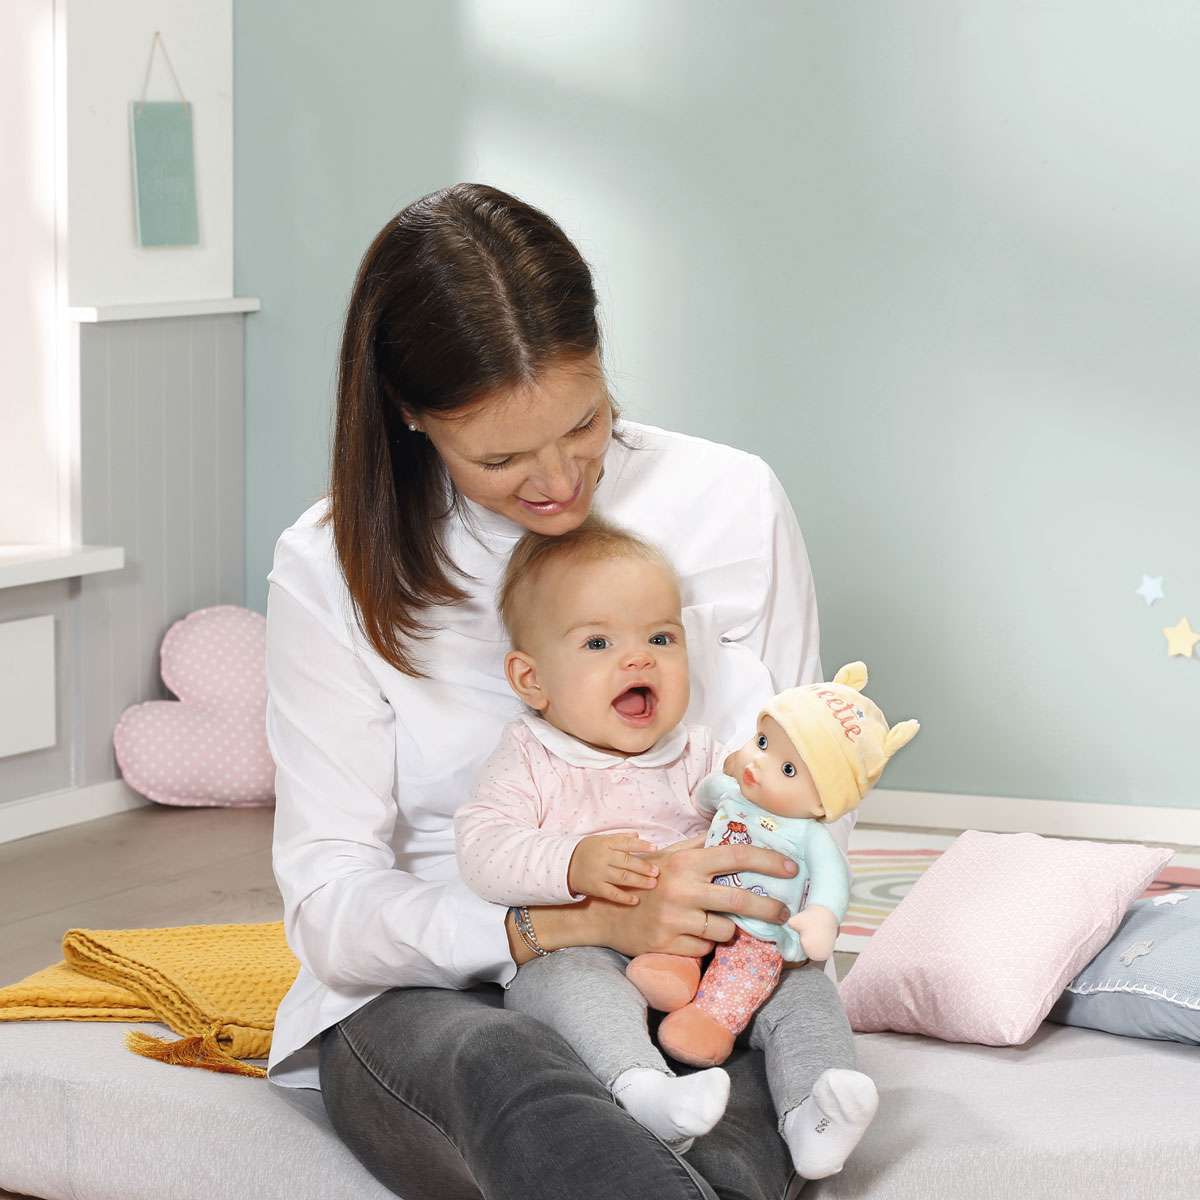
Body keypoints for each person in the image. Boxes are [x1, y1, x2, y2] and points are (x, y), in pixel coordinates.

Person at [264, 182, 855, 1200]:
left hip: (697, 976)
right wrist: (562, 929)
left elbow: (810, 797)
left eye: (583, 422)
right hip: (432, 992)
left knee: (718, 1115)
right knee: (508, 1069)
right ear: (411, 416)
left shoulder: (731, 501)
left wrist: (739, 949)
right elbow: (329, 902)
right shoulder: (331, 566)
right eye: (499, 457)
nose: (558, 481)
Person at [452, 518, 877, 1177]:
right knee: (565, 985)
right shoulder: (531, 757)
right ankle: (643, 1087)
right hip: (592, 949)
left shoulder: (702, 753)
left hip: (716, 956)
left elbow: (767, 821)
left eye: (660, 637)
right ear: (531, 679)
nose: (639, 659)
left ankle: (815, 1105)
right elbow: (483, 848)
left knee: (801, 988)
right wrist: (571, 862)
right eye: (598, 642)